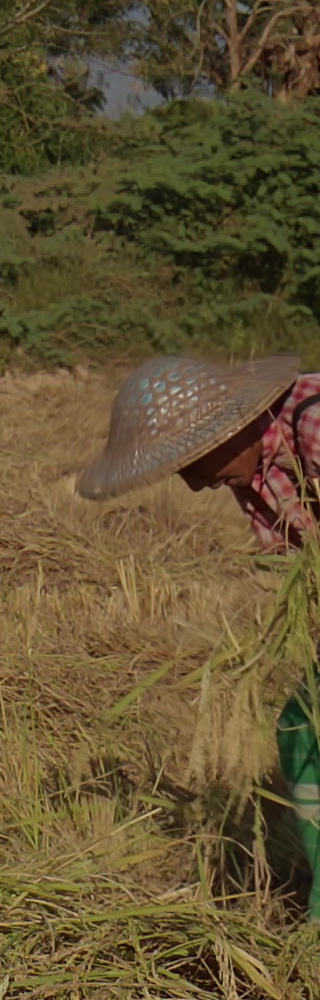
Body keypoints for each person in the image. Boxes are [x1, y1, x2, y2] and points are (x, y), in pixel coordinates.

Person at [79, 352, 320, 900]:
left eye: (191, 462)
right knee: (302, 730)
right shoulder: (251, 470)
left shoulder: (314, 420)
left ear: (231, 428)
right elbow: (301, 566)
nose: (191, 484)